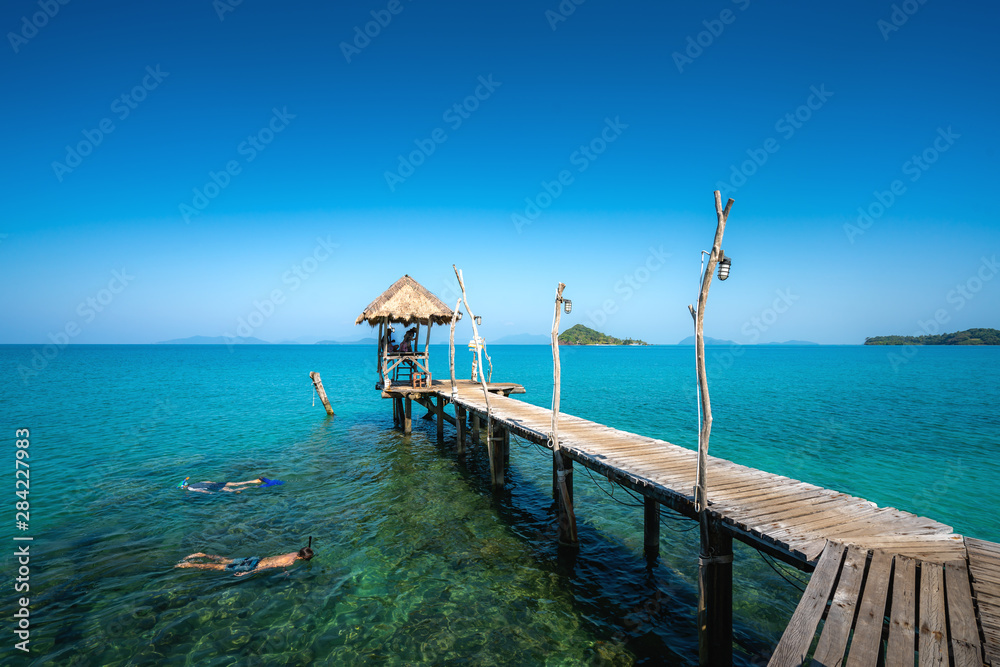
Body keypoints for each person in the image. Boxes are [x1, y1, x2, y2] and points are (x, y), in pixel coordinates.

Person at [175, 538, 315, 577]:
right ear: (303, 558)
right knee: (221, 567)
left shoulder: (292, 554)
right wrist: (246, 573)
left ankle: (203, 555)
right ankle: (190, 565)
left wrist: (283, 569)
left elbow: (277, 561)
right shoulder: (291, 562)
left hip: (255, 558)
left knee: (225, 560)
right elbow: (269, 566)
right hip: (253, 566)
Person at [179, 477, 280, 494]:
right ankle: (255, 481)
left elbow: (201, 491)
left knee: (233, 490)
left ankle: (257, 486)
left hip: (216, 487)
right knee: (237, 483)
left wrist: (211, 494)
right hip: (217, 484)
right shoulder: (197, 482)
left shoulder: (191, 488)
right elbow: (209, 481)